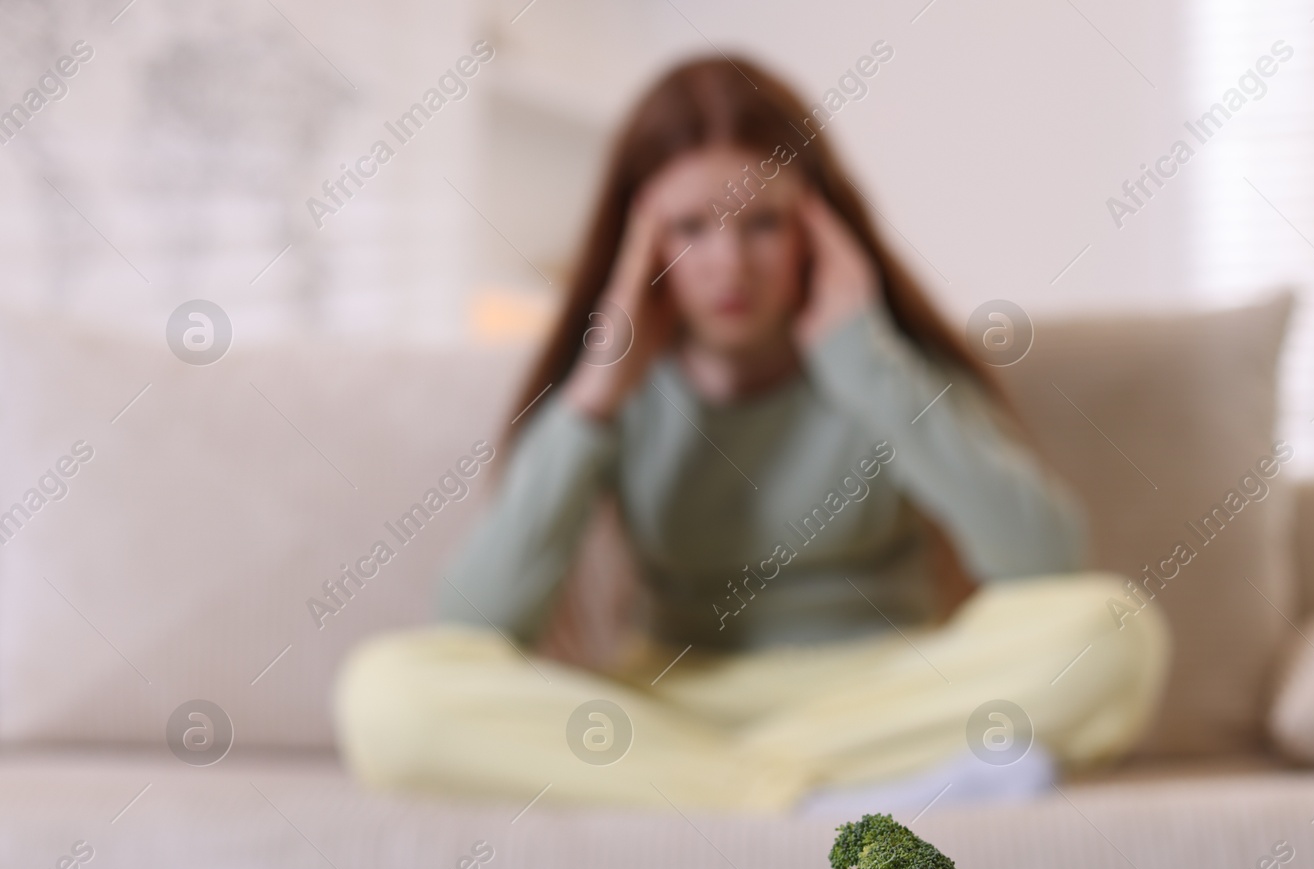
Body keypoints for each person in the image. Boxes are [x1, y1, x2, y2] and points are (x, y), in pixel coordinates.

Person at [333, 55, 1169, 812]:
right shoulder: (617, 392)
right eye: (690, 227)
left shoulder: (881, 364)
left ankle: (721, 788)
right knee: (387, 693)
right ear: (636, 241)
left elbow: (1045, 561)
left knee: (1113, 627)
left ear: (819, 227)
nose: (728, 263)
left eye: (761, 223)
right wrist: (598, 389)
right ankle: (816, 798)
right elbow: (476, 624)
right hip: (675, 701)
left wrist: (861, 360)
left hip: (883, 693)